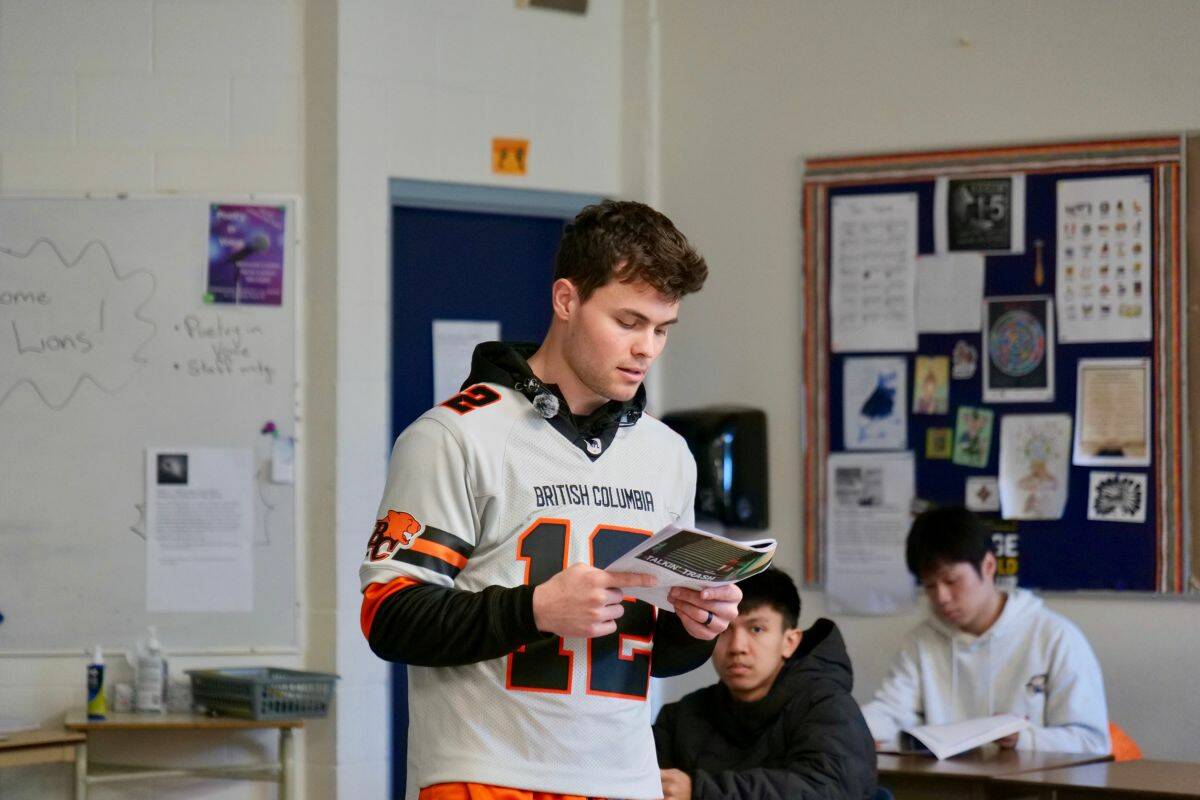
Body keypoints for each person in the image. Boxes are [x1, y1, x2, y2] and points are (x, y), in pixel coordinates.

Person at [358, 200, 743, 800]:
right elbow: (389, 618)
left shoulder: (668, 455)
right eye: (629, 322)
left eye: (662, 329)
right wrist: (534, 610)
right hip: (484, 774)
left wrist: (698, 627)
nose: (647, 348)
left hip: (624, 778)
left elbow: (651, 656)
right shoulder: (455, 435)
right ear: (566, 301)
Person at [861, 506, 1110, 754]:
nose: (942, 597)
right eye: (929, 586)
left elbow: (1093, 743)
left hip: (1028, 788)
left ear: (989, 565)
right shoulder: (921, 642)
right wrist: (858, 732)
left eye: (951, 581)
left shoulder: (1055, 637)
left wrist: (1024, 739)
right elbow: (890, 711)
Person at [653, 568, 878, 800]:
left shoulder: (827, 706)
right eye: (726, 630)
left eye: (756, 629)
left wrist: (700, 792)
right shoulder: (680, 716)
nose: (737, 646)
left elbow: (831, 790)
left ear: (790, 642)